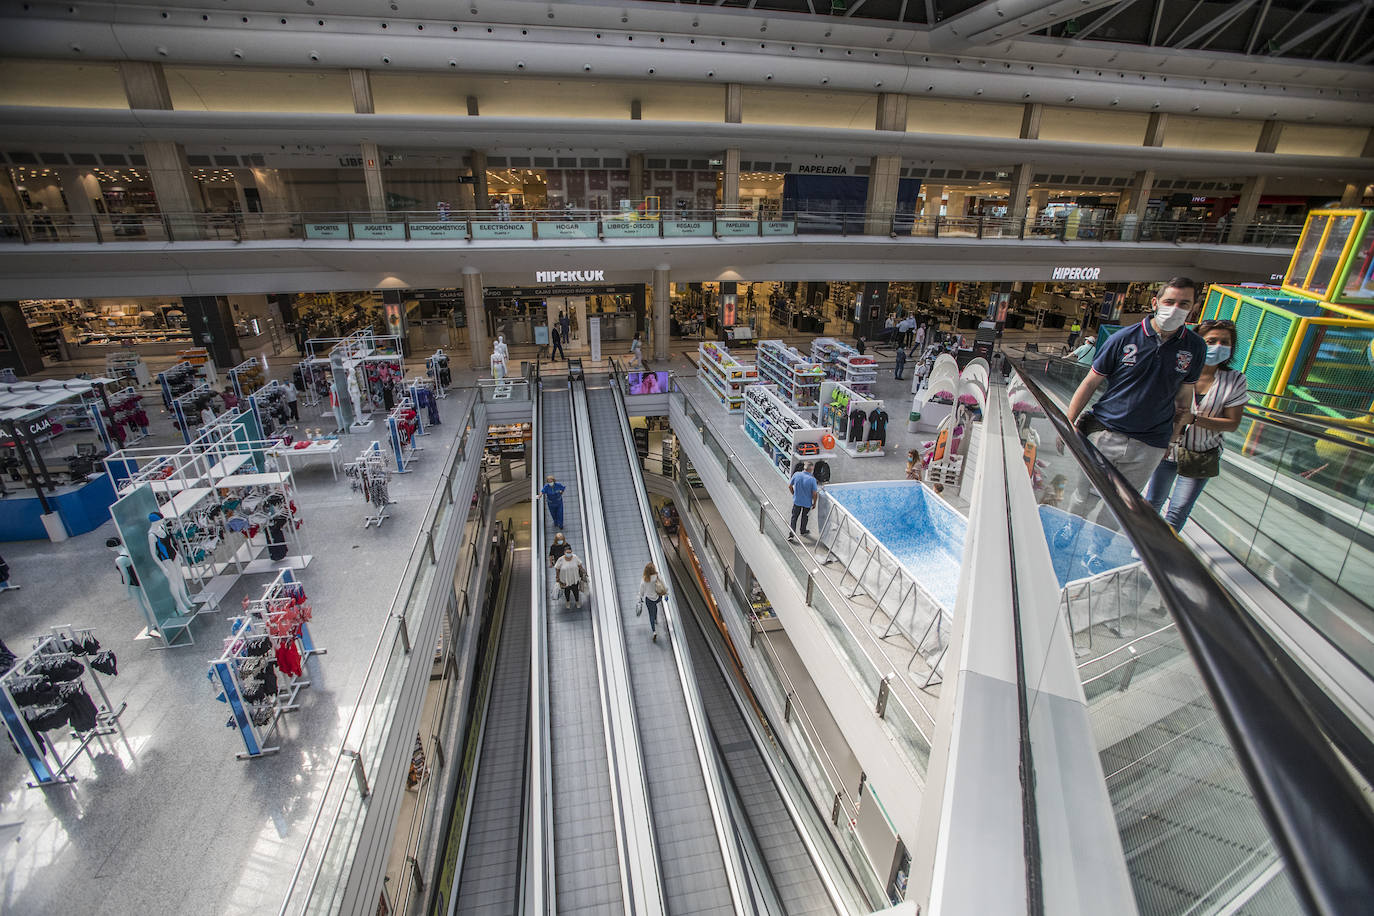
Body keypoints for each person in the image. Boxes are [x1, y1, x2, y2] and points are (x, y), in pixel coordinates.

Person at [1059, 277, 1206, 566]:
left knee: (1121, 505)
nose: (1175, 309)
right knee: (1083, 494)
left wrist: (1173, 438)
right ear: (1155, 303)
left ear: (1193, 308)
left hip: (1150, 443)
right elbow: (1090, 383)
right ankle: (1070, 526)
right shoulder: (1123, 339)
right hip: (1104, 433)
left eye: (1183, 304)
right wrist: (1068, 422)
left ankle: (1095, 551)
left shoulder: (1194, 348)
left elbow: (1184, 395)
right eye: (1169, 301)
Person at [1143, 319, 1249, 530]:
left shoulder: (1235, 380)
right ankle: (1141, 544)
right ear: (1197, 342)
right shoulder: (1177, 371)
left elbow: (1232, 423)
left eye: (1224, 342)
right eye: (1211, 341)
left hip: (1201, 453)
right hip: (1166, 450)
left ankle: (1161, 553)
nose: (1218, 346)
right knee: (1153, 501)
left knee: (1179, 507)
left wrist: (1194, 419)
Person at [788, 461, 819, 543]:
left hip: (797, 501)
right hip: (807, 503)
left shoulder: (796, 474)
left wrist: (794, 494)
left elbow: (790, 486)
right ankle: (803, 530)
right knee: (805, 517)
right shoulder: (812, 480)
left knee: (794, 517)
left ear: (804, 468)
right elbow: (815, 494)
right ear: (811, 470)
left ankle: (791, 534)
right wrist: (814, 503)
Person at [637, 561, 668, 641]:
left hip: (649, 600)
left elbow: (641, 592)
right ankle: (656, 619)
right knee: (655, 606)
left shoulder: (644, 579)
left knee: (650, 613)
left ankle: (654, 631)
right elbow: (663, 585)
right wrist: (666, 595)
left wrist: (639, 599)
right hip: (657, 598)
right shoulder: (656, 576)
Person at [553, 544, 586, 609]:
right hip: (565, 579)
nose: (569, 554)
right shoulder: (561, 559)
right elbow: (557, 569)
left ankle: (577, 602)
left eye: (570, 552)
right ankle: (568, 602)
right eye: (567, 552)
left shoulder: (575, 557)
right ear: (564, 552)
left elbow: (580, 566)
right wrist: (557, 578)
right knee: (567, 592)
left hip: (574, 578)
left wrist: (584, 572)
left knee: (576, 591)